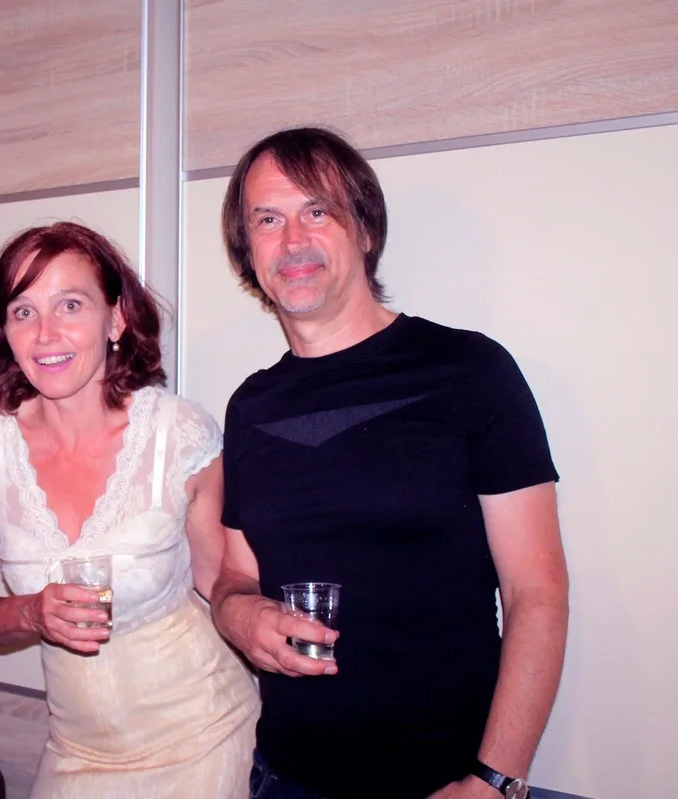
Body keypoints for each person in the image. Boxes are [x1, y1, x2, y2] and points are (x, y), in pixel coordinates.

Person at [209, 126, 570, 799]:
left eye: (318, 210)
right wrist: (238, 616)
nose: (293, 240)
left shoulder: (470, 370)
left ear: (366, 231)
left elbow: (537, 591)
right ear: (249, 252)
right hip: (286, 777)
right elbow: (235, 572)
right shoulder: (250, 405)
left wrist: (494, 779)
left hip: (446, 781)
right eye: (268, 219)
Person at [0, 222, 259, 798]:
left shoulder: (177, 434)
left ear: (115, 320)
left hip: (206, 733)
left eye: (70, 305)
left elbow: (223, 582)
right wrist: (32, 613)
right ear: (4, 332)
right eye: (23, 311)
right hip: (77, 753)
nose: (46, 333)